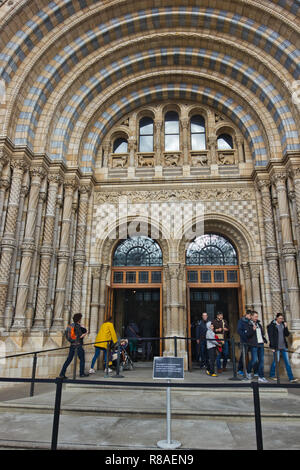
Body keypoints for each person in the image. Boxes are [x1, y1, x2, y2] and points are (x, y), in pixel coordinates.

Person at [267, 313, 298, 383]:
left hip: (284, 346)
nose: (281, 320)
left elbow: (287, 334)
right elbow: (270, 337)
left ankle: (291, 378)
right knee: (276, 361)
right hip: (276, 347)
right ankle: (272, 375)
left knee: (287, 362)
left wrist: (286, 327)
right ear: (277, 318)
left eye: (282, 318)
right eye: (280, 318)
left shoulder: (283, 325)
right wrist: (272, 347)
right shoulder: (272, 326)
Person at [59, 313, 89, 379]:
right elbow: (80, 336)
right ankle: (81, 373)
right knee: (82, 359)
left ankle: (62, 374)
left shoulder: (70, 326)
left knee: (68, 360)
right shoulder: (78, 326)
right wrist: (85, 334)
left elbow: (68, 335)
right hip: (78, 345)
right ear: (79, 319)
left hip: (72, 345)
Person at [245, 311, 268, 383]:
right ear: (251, 316)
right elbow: (247, 335)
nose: (256, 318)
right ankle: (248, 371)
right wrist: (252, 330)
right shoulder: (248, 324)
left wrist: (264, 340)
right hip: (254, 344)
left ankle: (261, 376)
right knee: (254, 360)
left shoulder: (259, 324)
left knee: (261, 360)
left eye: (257, 316)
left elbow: (261, 333)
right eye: (255, 316)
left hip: (260, 344)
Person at [237, 310, 252, 377]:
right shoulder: (241, 321)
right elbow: (239, 330)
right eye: (249, 315)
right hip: (244, 341)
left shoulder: (251, 322)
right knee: (243, 356)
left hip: (252, 341)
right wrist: (245, 335)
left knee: (254, 357)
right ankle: (240, 369)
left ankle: (251, 370)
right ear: (246, 315)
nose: (250, 317)